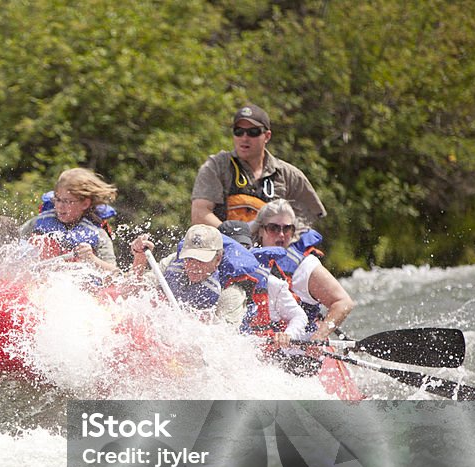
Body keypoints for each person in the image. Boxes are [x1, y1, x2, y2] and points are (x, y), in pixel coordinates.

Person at [129, 224, 308, 346]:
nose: (193, 266)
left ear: (218, 259)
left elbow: (219, 345)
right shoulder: (172, 263)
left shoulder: (231, 293)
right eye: (190, 258)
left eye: (201, 260)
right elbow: (132, 290)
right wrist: (139, 259)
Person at [191, 104, 326, 228]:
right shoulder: (216, 166)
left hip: (271, 250)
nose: (244, 138)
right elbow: (199, 214)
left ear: (267, 136)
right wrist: (233, 237)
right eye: (238, 131)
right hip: (224, 247)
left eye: (253, 132)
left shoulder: (289, 175)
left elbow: (310, 219)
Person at [249, 199, 355, 341]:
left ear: (293, 232)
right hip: (260, 342)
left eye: (287, 229)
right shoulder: (247, 260)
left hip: (298, 346)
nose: (281, 234)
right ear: (261, 230)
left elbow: (343, 302)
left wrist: (319, 336)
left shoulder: (305, 266)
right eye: (274, 228)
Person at [19, 168, 119, 272]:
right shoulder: (36, 223)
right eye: (57, 199)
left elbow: (115, 274)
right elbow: (11, 247)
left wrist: (92, 259)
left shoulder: (99, 235)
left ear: (85, 203)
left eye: (67, 201)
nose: (60, 206)